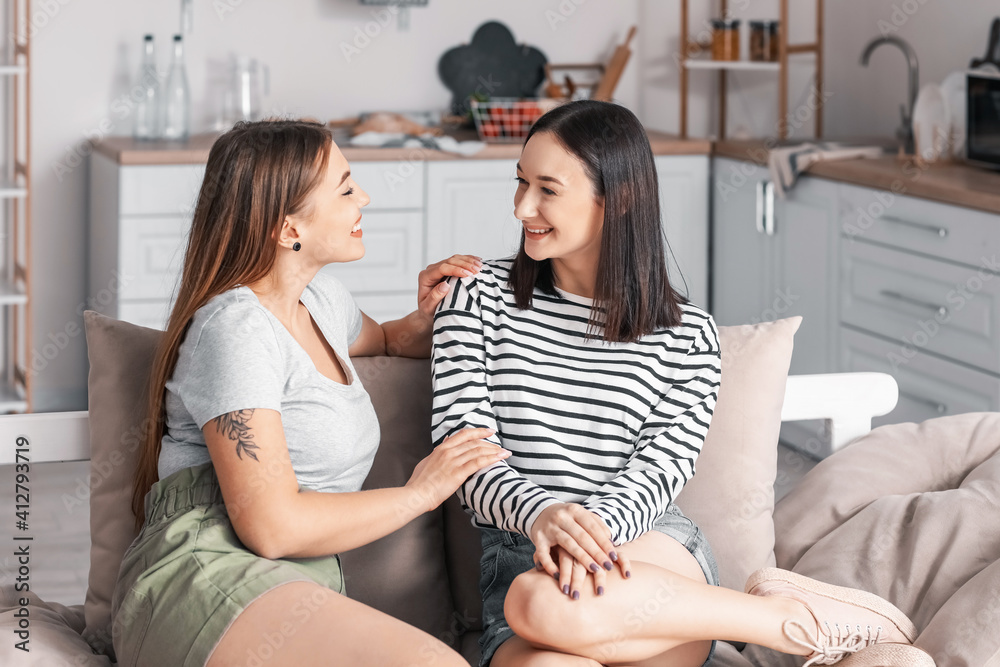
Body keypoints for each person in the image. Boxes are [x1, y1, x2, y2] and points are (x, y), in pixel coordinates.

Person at [431, 100, 920, 667]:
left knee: (545, 605)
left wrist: (588, 532)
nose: (522, 208)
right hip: (523, 563)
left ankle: (790, 623)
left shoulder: (688, 337)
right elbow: (462, 454)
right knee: (538, 612)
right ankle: (786, 624)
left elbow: (658, 473)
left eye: (547, 189)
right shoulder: (474, 297)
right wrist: (544, 515)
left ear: (619, 200)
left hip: (650, 557)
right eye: (519, 183)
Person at [112, 118, 506, 667]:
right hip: (207, 572)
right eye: (345, 188)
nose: (363, 197)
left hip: (295, 581)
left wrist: (433, 312)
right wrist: (423, 492)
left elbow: (390, 339)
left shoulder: (321, 300)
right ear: (286, 227)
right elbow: (271, 527)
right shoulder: (237, 332)